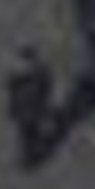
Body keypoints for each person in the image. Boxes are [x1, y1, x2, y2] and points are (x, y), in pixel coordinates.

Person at [6, 42, 57, 172]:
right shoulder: (39, 73)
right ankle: (30, 155)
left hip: (29, 112)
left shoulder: (21, 74)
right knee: (28, 135)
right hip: (29, 112)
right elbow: (46, 90)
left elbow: (13, 91)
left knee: (29, 135)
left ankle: (30, 156)